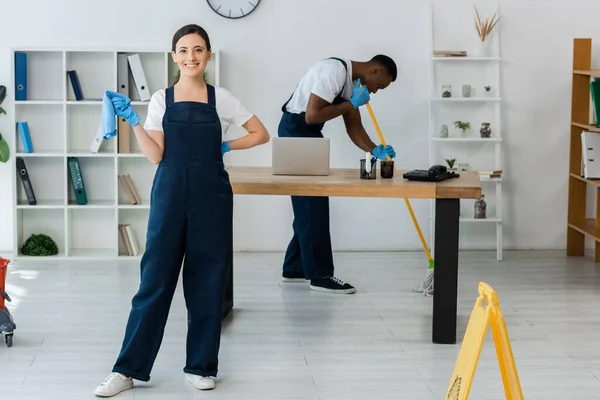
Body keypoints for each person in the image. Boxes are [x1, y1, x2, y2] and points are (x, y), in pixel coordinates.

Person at [93, 24, 270, 397]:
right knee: (153, 282)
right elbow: (156, 154)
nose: (191, 56)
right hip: (170, 194)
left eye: (199, 49)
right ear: (174, 56)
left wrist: (226, 146)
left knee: (207, 283)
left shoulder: (221, 98)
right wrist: (135, 122)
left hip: (212, 197)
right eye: (184, 50)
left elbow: (261, 133)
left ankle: (201, 367)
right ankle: (126, 369)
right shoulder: (162, 99)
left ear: (208, 55)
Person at [278, 55, 397, 294]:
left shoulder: (350, 83)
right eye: (380, 85)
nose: (375, 91)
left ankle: (295, 267)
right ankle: (320, 275)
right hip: (297, 130)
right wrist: (352, 103)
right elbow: (312, 115)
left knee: (308, 204)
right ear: (374, 70)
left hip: (305, 133)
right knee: (313, 203)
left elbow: (354, 126)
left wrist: (373, 149)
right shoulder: (334, 71)